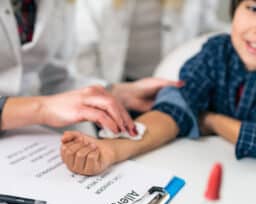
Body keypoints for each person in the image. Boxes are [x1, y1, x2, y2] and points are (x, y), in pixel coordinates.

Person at [61, 0, 256, 176]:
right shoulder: (217, 52)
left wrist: (210, 120)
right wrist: (111, 149)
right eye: (253, 8)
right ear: (234, 7)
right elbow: (174, 109)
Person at [0, 0, 178, 135]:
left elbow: (57, 79)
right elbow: (47, 103)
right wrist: (41, 108)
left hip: (22, 134)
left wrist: (117, 92)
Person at [75, 0, 227, 84]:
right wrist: (106, 91)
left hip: (170, 84)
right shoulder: (95, 4)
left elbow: (206, 29)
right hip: (116, 83)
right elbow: (85, 55)